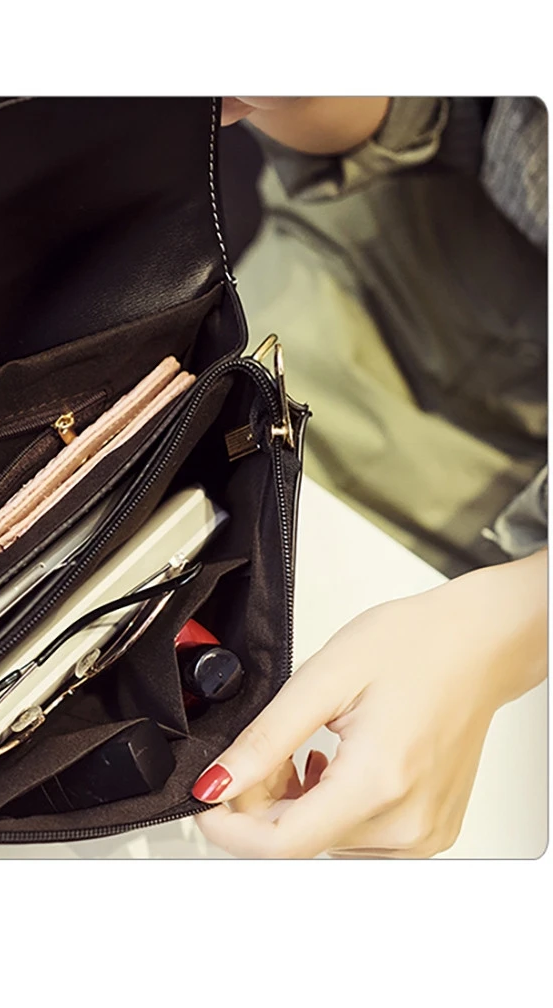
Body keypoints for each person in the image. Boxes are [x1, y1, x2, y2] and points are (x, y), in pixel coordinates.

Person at [191, 97, 548, 857]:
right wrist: (309, 93)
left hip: (504, 546)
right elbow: (446, 109)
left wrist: (516, 620)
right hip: (347, 289)